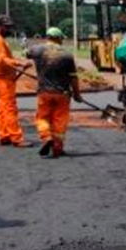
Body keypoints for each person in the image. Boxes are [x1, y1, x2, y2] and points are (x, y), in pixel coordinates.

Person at [26, 27, 82, 158]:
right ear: (59, 38)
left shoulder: (37, 49)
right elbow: (73, 77)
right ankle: (57, 148)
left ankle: (46, 137)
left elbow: (26, 53)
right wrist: (77, 94)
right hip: (62, 94)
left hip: (44, 92)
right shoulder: (67, 55)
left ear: (48, 37)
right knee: (60, 121)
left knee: (42, 117)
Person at [0, 14, 32, 147]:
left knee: (2, 109)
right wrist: (20, 63)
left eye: (10, 27)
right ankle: (17, 138)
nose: (9, 29)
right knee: (10, 109)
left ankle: (4, 135)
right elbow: (3, 59)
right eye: (7, 27)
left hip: (3, 79)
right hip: (3, 80)